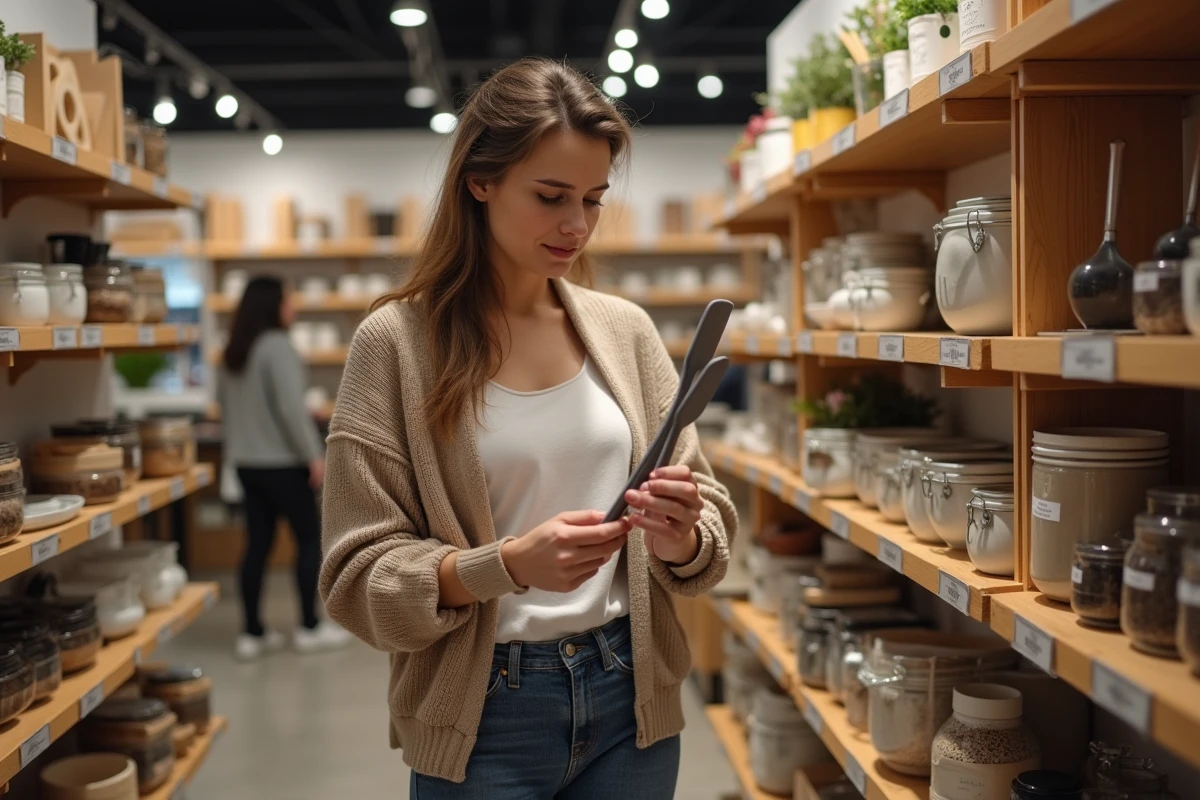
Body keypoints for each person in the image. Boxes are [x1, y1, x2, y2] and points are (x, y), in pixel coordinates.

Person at [319, 58, 737, 797]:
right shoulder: (396, 344)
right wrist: (505, 565)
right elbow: (356, 580)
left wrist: (683, 534)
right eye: (550, 196)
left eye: (594, 200)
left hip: (629, 697)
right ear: (480, 180)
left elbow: (707, 512)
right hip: (483, 715)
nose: (575, 225)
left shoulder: (625, 332)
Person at [219, 276, 350, 659]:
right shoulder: (278, 346)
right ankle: (309, 627)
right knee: (309, 540)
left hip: (246, 463)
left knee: (257, 545)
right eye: (288, 300)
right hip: (283, 464)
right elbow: (290, 409)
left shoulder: (234, 350)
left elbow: (227, 406)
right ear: (272, 305)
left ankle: (252, 633)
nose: (292, 307)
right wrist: (313, 455)